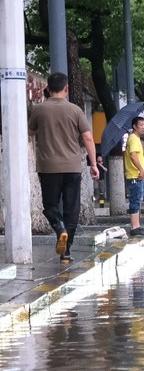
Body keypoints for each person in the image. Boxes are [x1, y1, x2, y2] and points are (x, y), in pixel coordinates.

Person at [27, 72, 99, 264]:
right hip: (73, 167)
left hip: (48, 167)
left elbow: (30, 132)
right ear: (66, 88)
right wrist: (93, 164)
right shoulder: (75, 110)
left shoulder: (39, 110)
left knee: (50, 206)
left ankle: (60, 229)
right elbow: (88, 138)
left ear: (48, 88)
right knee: (71, 209)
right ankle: (66, 253)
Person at [124, 116, 144, 236]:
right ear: (134, 126)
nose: (143, 127)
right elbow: (133, 156)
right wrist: (141, 169)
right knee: (135, 201)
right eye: (141, 125)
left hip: (137, 175)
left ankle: (137, 226)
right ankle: (134, 228)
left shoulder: (136, 139)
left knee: (137, 200)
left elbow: (136, 154)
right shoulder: (134, 138)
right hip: (135, 175)